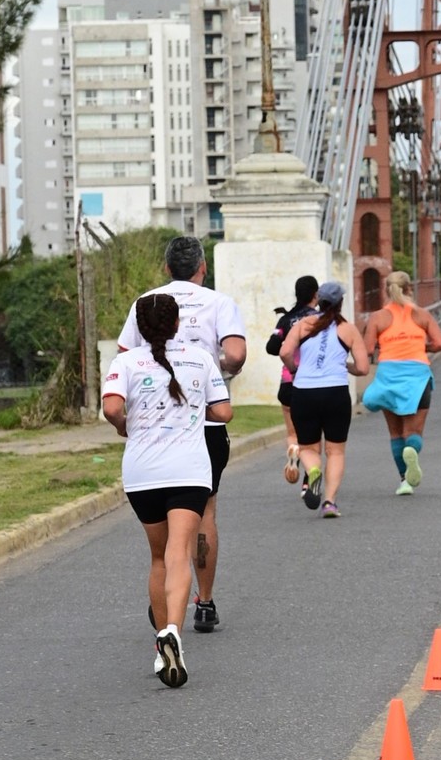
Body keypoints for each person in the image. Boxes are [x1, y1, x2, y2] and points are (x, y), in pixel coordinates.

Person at [116, 236, 246, 635]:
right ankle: (203, 602)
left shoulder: (147, 301)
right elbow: (236, 354)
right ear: (202, 267)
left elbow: (124, 352)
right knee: (205, 512)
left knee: (161, 542)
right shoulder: (219, 302)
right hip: (202, 426)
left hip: (153, 428)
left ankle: (164, 605)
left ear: (166, 266)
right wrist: (216, 374)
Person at [102, 294, 231, 687]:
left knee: (158, 556)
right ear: (177, 324)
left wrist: (125, 424)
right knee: (180, 553)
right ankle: (173, 630)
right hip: (189, 471)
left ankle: (162, 637)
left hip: (142, 473)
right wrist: (194, 411)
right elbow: (224, 412)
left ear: (139, 327)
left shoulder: (125, 362)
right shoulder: (199, 358)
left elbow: (110, 408)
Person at [277, 281, 368, 517]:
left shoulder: (302, 324)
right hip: (335, 392)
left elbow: (284, 352)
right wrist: (345, 366)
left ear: (319, 300)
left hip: (304, 392)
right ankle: (329, 502)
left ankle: (313, 470)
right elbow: (364, 367)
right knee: (336, 451)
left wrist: (295, 369)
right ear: (341, 303)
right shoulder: (348, 329)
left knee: (308, 447)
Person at [361, 273, 441, 493]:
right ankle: (413, 450)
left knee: (395, 432)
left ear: (386, 291)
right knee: (414, 431)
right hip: (417, 376)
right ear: (410, 289)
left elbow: (368, 349)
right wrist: (421, 347)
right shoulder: (422, 314)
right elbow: (440, 343)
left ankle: (404, 481)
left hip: (389, 374)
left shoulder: (378, 317)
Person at [265, 273, 318, 487]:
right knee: (313, 435)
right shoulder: (318, 318)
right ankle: (308, 480)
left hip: (287, 382)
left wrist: (289, 343)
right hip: (312, 382)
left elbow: (271, 347)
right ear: (316, 295)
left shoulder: (285, 319)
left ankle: (293, 449)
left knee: (293, 432)